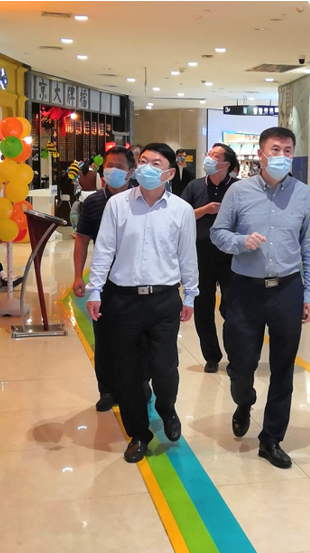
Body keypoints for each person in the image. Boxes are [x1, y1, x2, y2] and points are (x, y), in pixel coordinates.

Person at [211, 127, 310, 469]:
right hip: (244, 289)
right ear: (260, 154)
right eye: (275, 149)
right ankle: (244, 401)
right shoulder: (239, 192)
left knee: (283, 368)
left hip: (287, 289)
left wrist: (309, 292)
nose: (282, 156)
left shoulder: (303, 194)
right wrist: (240, 242)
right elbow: (217, 232)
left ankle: (271, 439)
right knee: (241, 366)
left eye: (288, 150)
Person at [86, 143, 199, 463]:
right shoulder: (118, 204)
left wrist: (191, 294)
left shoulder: (181, 210)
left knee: (165, 368)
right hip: (122, 300)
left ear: (170, 173)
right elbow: (104, 249)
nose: (147, 167)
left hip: (164, 299)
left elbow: (187, 255)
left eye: (156, 163)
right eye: (144, 161)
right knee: (128, 372)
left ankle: (167, 407)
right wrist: (95, 290)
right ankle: (138, 433)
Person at [73, 146, 137, 412]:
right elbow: (82, 239)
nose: (112, 171)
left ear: (131, 171)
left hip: (136, 278)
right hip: (105, 280)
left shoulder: (142, 199)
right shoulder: (93, 202)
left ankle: (138, 384)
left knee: (137, 336)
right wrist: (78, 275)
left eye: (119, 167)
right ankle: (107, 389)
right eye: (109, 165)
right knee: (105, 335)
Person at [182, 143, 239, 373]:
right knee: (203, 307)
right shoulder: (195, 186)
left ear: (226, 164)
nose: (209, 158)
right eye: (209, 154)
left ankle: (235, 356)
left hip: (231, 255)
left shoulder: (238, 188)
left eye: (215, 156)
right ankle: (212, 356)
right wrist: (205, 210)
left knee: (232, 307)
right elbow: (182, 217)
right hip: (201, 253)